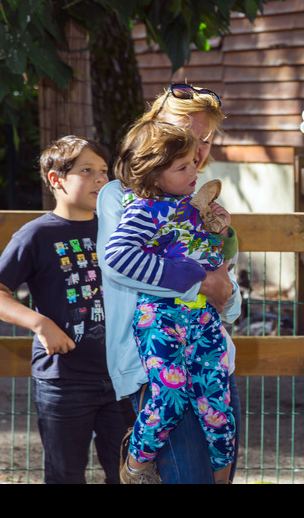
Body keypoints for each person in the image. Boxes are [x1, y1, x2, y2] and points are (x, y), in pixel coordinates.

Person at [96, 83, 242, 484]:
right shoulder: (122, 197)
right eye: (185, 134)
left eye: (205, 139)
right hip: (154, 361)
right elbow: (120, 265)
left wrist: (226, 293)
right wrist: (201, 282)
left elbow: (225, 276)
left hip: (211, 350)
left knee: (221, 446)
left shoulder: (197, 201)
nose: (196, 148)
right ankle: (134, 467)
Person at [0, 135, 130, 484]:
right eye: (87, 170)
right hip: (63, 381)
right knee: (65, 474)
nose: (101, 179)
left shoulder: (121, 230)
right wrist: (40, 323)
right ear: (56, 179)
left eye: (104, 171)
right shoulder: (35, 235)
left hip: (124, 376)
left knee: (130, 473)